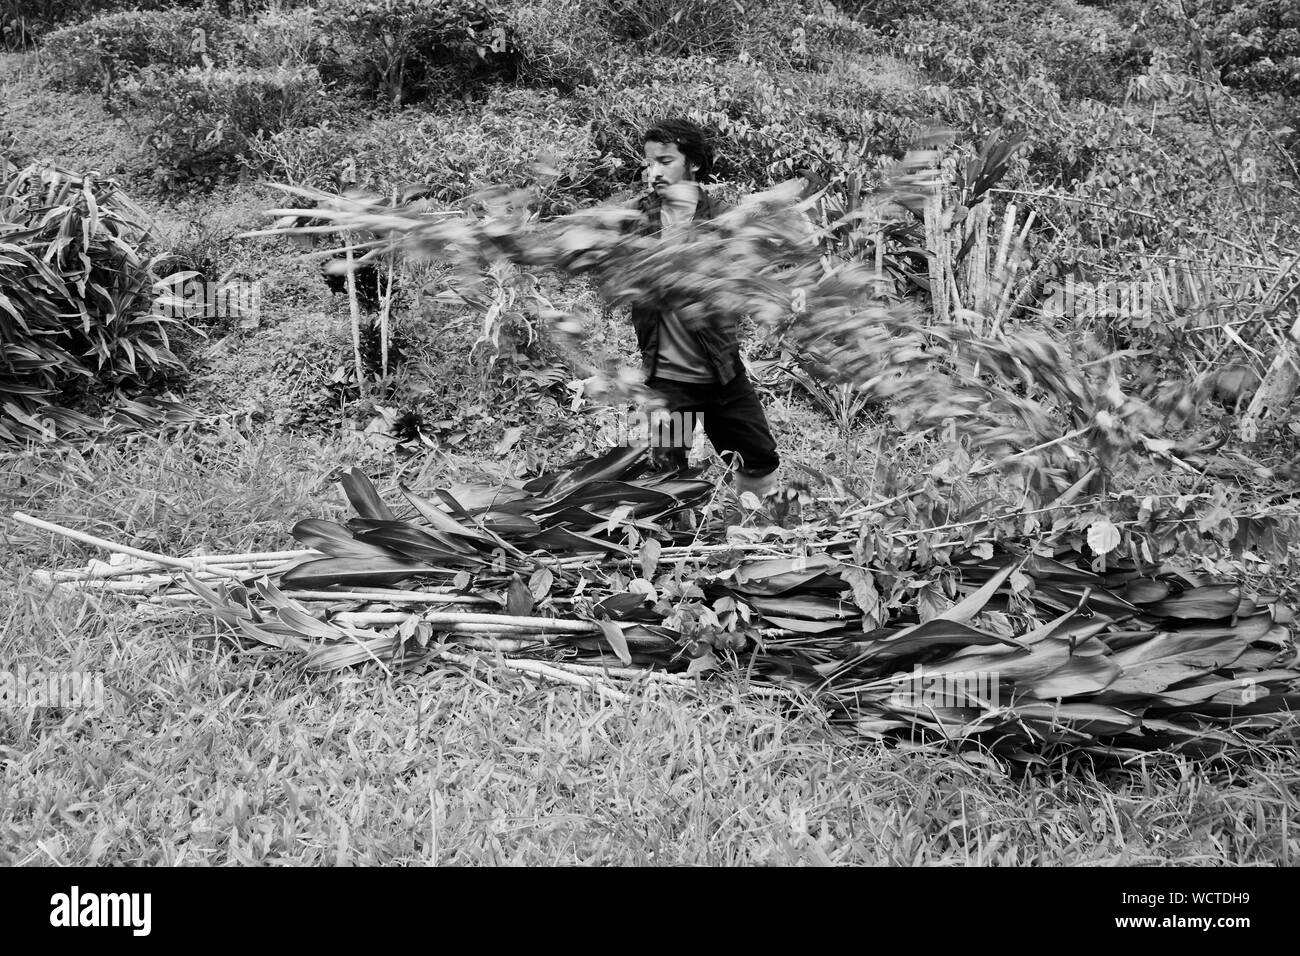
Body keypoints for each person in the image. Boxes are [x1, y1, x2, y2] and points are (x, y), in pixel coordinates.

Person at [621, 117, 784, 500]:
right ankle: (677, 545)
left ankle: (757, 536)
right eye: (649, 163)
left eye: (665, 161)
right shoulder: (634, 220)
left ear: (692, 163)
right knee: (667, 474)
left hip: (722, 374)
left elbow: (753, 276)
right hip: (670, 383)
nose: (653, 172)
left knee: (758, 460)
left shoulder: (724, 220)